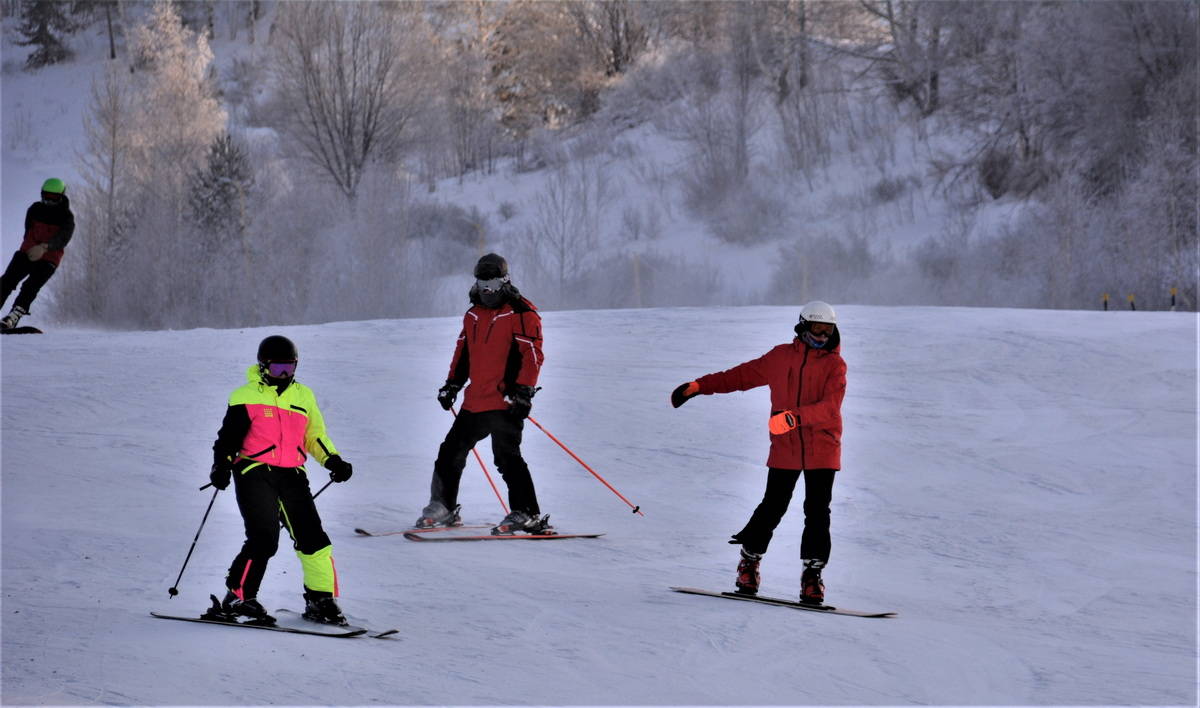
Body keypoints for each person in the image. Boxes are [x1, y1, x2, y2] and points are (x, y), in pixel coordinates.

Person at [670, 301, 846, 605]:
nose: (822, 335)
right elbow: (738, 376)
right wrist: (699, 386)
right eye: (817, 329)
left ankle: (812, 577)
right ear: (803, 326)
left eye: (828, 329)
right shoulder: (780, 357)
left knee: (817, 512)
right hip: (786, 446)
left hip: (822, 447)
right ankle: (748, 564)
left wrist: (795, 417)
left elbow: (831, 408)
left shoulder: (834, 365)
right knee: (773, 506)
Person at [205, 335, 355, 626]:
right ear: (263, 367)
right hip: (254, 471)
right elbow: (227, 439)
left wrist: (332, 460)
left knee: (314, 539)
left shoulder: (304, 396)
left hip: (292, 474)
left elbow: (315, 436)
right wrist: (221, 465)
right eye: (277, 369)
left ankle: (320, 599)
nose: (284, 374)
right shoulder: (245, 395)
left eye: (290, 367)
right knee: (264, 538)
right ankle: (238, 597)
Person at [416, 253, 549, 535]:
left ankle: (527, 512)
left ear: (505, 282)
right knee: (450, 453)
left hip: (505, 401)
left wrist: (524, 391)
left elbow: (533, 355)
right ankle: (443, 507)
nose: (487, 291)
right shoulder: (473, 314)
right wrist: (452, 384)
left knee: (506, 458)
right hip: (475, 400)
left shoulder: (522, 313)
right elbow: (463, 353)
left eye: (492, 284)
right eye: (482, 284)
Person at [1, 178, 75, 329]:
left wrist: (45, 247)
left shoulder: (67, 217)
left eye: (54, 197)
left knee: (30, 287)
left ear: (61, 196)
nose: (49, 200)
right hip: (27, 253)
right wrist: (30, 248)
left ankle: (12, 317)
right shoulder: (34, 209)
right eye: (47, 196)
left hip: (49, 259)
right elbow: (28, 231)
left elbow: (63, 238)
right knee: (7, 281)